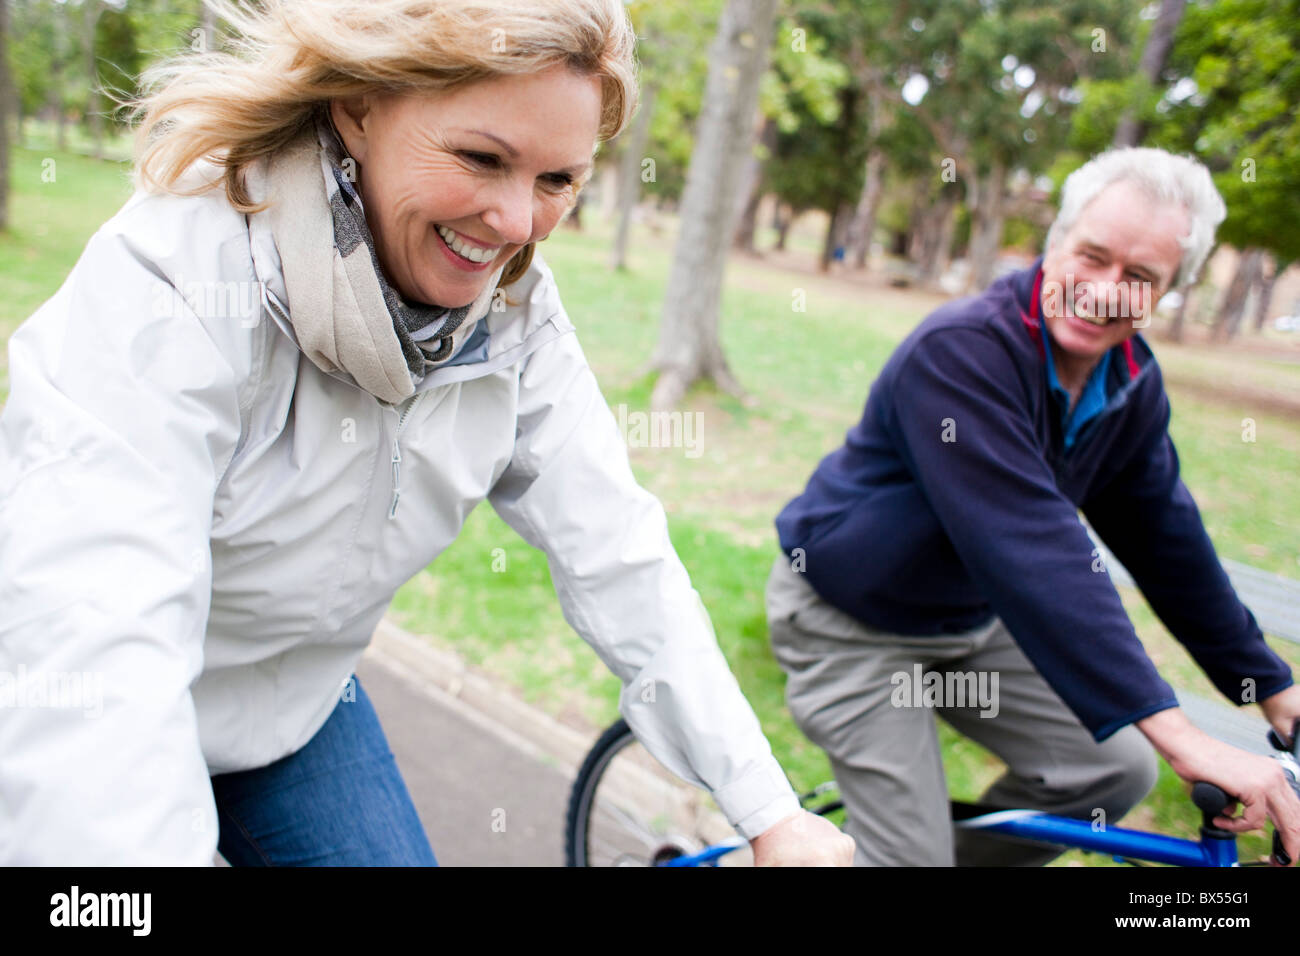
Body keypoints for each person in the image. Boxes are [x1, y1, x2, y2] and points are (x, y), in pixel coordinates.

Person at [0, 0, 852, 867]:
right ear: (358, 106)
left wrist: (771, 811)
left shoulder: (516, 320)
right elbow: (97, 656)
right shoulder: (175, 284)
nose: (517, 225)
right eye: (482, 158)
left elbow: (620, 558)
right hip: (93, 702)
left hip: (296, 711)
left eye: (557, 181)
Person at [766, 146, 1300, 866]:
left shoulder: (1131, 382)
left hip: (971, 622)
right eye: (1092, 256)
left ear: (1167, 291)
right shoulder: (962, 353)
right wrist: (1188, 736)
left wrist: (1271, 686)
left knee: (1115, 771)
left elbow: (1166, 542)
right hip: (852, 623)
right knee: (910, 860)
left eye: (1139, 276)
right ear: (1055, 243)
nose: (1107, 290)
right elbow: (1036, 554)